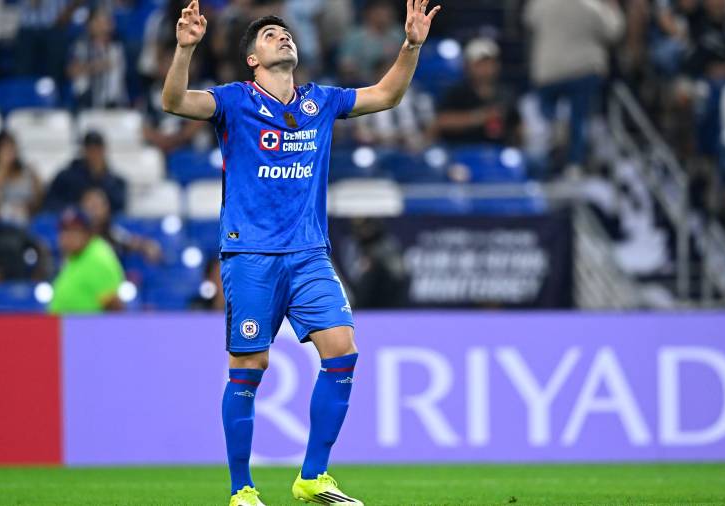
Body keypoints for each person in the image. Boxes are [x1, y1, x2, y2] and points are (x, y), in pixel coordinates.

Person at [161, 1, 441, 504]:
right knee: (249, 366)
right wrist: (185, 49)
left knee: (343, 351)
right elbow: (175, 102)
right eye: (270, 35)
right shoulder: (233, 101)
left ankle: (312, 477)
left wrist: (411, 45)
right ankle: (242, 489)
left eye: (285, 33)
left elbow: (387, 94)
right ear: (252, 58)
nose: (282, 37)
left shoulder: (321, 101)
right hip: (251, 256)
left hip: (309, 254)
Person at [524, 0, 624, 176]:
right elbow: (613, 32)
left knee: (547, 120)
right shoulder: (592, 6)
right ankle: (574, 164)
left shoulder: (540, 3)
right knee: (579, 119)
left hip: (548, 71)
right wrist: (612, 8)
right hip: (582, 71)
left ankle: (548, 157)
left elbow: (528, 20)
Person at [433, 38, 522, 146]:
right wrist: (478, 117)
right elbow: (442, 121)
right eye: (480, 64)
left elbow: (517, 126)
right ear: (468, 66)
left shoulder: (506, 93)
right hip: (462, 151)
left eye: (490, 63)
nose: (486, 69)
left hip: (498, 151)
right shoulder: (457, 92)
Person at [49, 206, 125, 314]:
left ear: (88, 232)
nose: (67, 237)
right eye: (64, 231)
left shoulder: (98, 258)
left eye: (74, 231)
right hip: (64, 327)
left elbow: (115, 308)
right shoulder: (76, 256)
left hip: (88, 329)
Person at [44, 131, 127, 214]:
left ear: (104, 150)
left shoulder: (116, 183)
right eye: (90, 149)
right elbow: (51, 204)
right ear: (83, 151)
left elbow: (119, 210)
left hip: (104, 226)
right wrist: (77, 209)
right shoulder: (66, 178)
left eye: (97, 149)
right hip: (72, 224)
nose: (94, 154)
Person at [0, 131, 44, 227]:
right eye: (3, 148)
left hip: (26, 218)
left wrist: (28, 208)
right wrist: (2, 170)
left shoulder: (30, 171)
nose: (8, 152)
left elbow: (39, 198)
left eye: (11, 147)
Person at [67, 7, 128, 109]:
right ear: (90, 25)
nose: (105, 26)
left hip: (114, 105)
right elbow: (72, 71)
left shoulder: (117, 48)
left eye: (107, 22)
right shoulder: (81, 47)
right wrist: (98, 65)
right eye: (100, 22)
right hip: (85, 104)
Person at [80, 188, 162, 262]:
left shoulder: (112, 234)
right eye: (90, 208)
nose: (94, 213)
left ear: (106, 208)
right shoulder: (76, 236)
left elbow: (129, 241)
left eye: (97, 207)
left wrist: (146, 246)